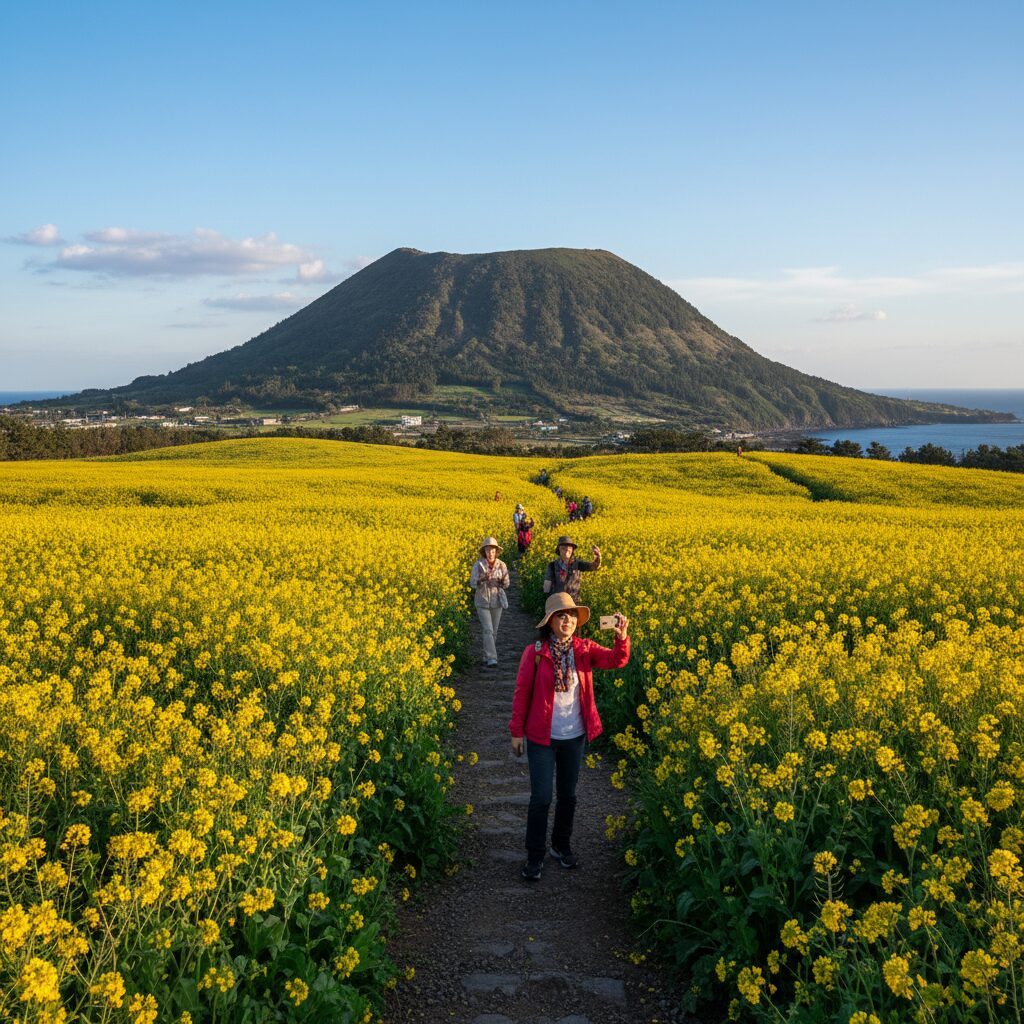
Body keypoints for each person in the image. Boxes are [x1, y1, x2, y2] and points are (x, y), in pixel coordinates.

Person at [509, 593, 630, 879]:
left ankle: (561, 846)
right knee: (541, 797)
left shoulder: (585, 649)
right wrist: (516, 732)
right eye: (562, 615)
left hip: (573, 735)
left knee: (568, 796)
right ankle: (534, 856)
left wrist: (621, 637)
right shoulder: (535, 652)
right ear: (549, 621)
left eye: (572, 615)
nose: (568, 620)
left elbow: (616, 660)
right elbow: (521, 693)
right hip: (542, 737)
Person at [470, 537, 510, 667]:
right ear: (484, 551)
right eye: (488, 550)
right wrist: (482, 579)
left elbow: (507, 583)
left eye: (493, 550)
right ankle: (492, 658)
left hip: (496, 600)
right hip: (482, 600)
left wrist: (501, 582)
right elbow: (472, 583)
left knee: (494, 630)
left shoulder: (502, 565)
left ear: (496, 551)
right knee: (488, 629)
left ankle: (486, 655)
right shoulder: (478, 564)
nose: (490, 553)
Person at [542, 535, 601, 602]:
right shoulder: (552, 565)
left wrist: (597, 557)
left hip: (573, 602)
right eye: (563, 548)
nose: (567, 549)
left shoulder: (578, 564)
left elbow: (593, 567)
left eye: (569, 547)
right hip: (557, 603)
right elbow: (546, 588)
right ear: (559, 550)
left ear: (572, 550)